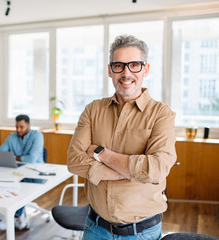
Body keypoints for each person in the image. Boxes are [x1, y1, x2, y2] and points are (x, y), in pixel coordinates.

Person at [67, 35, 177, 240]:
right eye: (119, 65)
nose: (126, 73)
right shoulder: (92, 110)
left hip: (141, 233)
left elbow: (157, 169)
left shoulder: (162, 114)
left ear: (146, 69)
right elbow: (74, 162)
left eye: (134, 65)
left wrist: (101, 153)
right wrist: (133, 171)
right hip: (94, 228)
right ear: (110, 70)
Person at [0, 114, 44, 231]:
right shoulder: (12, 136)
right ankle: (15, 214)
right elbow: (1, 151)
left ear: (29, 125)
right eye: (17, 127)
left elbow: (31, 159)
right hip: (17, 171)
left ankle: (16, 216)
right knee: (4, 182)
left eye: (21, 127)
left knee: (19, 186)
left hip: (35, 173)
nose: (18, 130)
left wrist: (13, 157)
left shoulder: (37, 136)